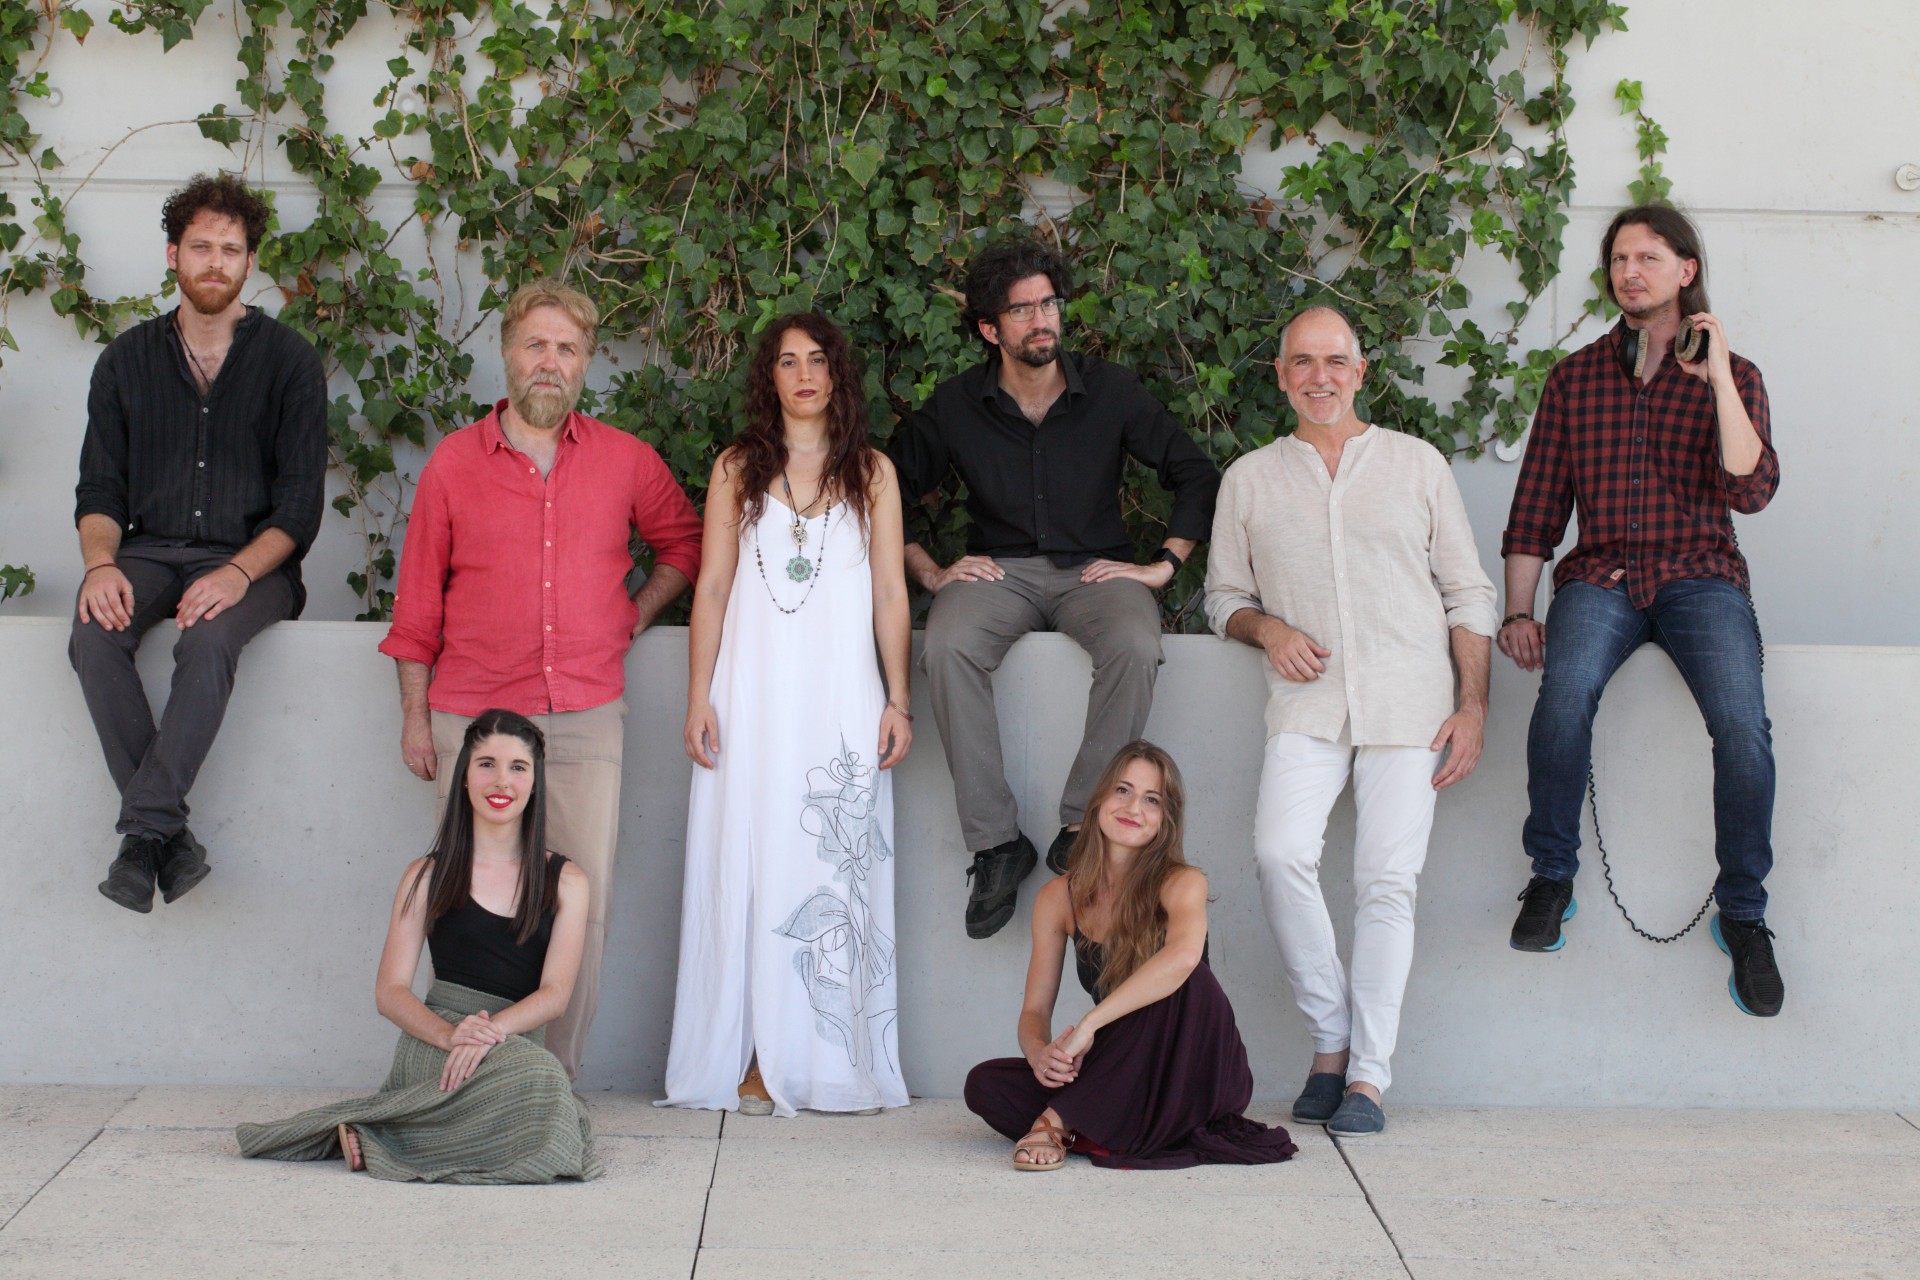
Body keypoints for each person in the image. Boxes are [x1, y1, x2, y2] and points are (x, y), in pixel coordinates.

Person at [380, 278, 702, 1077]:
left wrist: (631, 614)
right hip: (474, 723)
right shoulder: (454, 464)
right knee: (466, 906)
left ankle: (550, 1084)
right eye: (536, 345)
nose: (550, 362)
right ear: (507, 354)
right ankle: (463, 1077)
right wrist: (416, 719)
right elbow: (416, 606)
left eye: (566, 348)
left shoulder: (625, 460)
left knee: (577, 909)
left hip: (584, 716)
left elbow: (685, 544)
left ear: (586, 362)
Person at [1206, 306, 1496, 1137]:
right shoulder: (1249, 479)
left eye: (1335, 360)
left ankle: (1366, 1076)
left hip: (1413, 706)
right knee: (1280, 853)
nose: (1319, 376)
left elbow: (1468, 592)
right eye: (1302, 361)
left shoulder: (1417, 465)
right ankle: (1330, 1038)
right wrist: (1268, 630)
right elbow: (1223, 596)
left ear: (1361, 372)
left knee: (1386, 883)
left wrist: (1472, 704)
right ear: (1280, 375)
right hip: (1309, 702)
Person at [890, 237, 1220, 939]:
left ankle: (1081, 822)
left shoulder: (1111, 390)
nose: (1042, 321)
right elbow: (882, 492)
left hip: (1097, 572)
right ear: (990, 329)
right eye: (1022, 310)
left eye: (1048, 304)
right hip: (998, 573)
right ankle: (995, 845)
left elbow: (1194, 472)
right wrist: (931, 571)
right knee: (947, 646)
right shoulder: (956, 405)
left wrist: (1163, 564)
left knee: (1136, 643)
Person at [1499, 206, 1785, 1018]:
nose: (1630, 272)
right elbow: (1537, 508)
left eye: (1648, 257)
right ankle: (1551, 879)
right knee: (1563, 696)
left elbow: (1751, 490)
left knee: (1743, 726)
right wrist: (1519, 610)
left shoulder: (1737, 376)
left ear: (1685, 270)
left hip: (1702, 577)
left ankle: (1744, 916)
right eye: (1620, 259)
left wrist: (1717, 377)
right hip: (1604, 578)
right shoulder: (1575, 379)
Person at [660, 313, 913, 1117]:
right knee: (750, 859)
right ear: (768, 377)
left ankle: (825, 1061)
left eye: (817, 360)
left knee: (828, 871)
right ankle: (748, 1055)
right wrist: (699, 694)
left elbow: (890, 592)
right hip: (752, 695)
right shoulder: (737, 468)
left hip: (841, 699)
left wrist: (898, 698)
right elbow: (711, 586)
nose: (804, 375)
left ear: (837, 373)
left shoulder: (872, 472)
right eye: (787, 361)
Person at [70, 172, 326, 913]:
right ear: (173, 255)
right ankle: (167, 837)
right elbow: (100, 491)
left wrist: (238, 575)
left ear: (250, 262)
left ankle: (143, 833)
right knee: (93, 634)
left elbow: (300, 507)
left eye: (231, 250)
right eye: (202, 247)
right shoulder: (124, 361)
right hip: (148, 552)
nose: (216, 262)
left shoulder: (291, 362)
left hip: (255, 562)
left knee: (209, 639)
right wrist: (99, 566)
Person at [236, 709, 600, 1183]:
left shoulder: (567, 880)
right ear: (464, 777)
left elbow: (555, 994)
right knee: (544, 1094)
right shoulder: (426, 875)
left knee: (544, 1082)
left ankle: (386, 1135)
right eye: (486, 764)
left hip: (512, 1042)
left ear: (534, 783)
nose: (501, 780)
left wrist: (487, 1033)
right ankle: (407, 1130)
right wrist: (451, 1036)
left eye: (518, 767)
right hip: (436, 1040)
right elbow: (390, 991)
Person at [963, 741, 1297, 1170]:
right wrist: (1041, 1056)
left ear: (1165, 819)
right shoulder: (1056, 898)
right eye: (1122, 790)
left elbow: (1182, 958)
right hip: (1122, 1067)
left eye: (1151, 799)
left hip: (1189, 1067)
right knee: (986, 1083)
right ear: (1098, 799)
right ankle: (1115, 1122)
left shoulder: (1183, 882)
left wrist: (1088, 1026)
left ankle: (1058, 1121)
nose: (1133, 808)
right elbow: (1035, 1011)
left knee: (1186, 976)